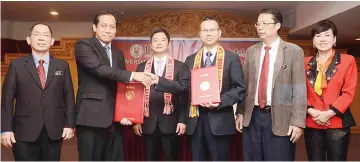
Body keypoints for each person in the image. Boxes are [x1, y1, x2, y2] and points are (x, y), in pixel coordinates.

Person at [146, 16, 245, 161]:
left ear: (219, 33)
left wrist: (220, 101)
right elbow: (183, 86)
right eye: (205, 30)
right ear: (200, 34)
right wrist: (159, 80)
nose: (208, 33)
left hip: (220, 122)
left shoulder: (231, 58)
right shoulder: (191, 60)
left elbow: (239, 88)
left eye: (212, 30)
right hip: (195, 122)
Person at [74, 10, 152, 161]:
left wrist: (126, 112)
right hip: (91, 117)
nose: (108, 30)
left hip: (115, 120)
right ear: (94, 27)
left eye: (112, 27)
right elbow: (99, 69)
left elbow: (121, 85)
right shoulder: (84, 45)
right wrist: (134, 75)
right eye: (104, 26)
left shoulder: (118, 53)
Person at [235, 8, 307, 161]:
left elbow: (299, 89)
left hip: (280, 118)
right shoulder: (251, 51)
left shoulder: (293, 51)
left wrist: (298, 122)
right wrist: (240, 112)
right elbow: (245, 85)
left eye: (265, 23)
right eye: (258, 24)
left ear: (277, 26)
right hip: (252, 117)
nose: (260, 27)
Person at [1, 23, 75, 160]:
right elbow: (7, 100)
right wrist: (5, 129)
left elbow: (69, 96)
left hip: (54, 130)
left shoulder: (62, 66)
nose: (41, 38)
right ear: (28, 40)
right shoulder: (16, 65)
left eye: (46, 35)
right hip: (23, 131)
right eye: (37, 34)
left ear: (52, 41)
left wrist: (69, 124)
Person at [304, 19, 357, 161]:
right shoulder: (304, 62)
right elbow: (297, 91)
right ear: (313, 41)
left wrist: (328, 114)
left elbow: (348, 93)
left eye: (327, 35)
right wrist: (311, 111)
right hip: (312, 120)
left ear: (334, 39)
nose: (322, 39)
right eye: (318, 35)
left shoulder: (347, 60)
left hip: (336, 121)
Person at [132, 28, 186, 161]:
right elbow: (137, 95)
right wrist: (136, 121)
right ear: (150, 44)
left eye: (163, 40)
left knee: (171, 158)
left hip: (171, 122)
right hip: (148, 122)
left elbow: (184, 94)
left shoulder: (180, 66)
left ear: (169, 43)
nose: (159, 43)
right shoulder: (141, 67)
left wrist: (182, 120)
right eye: (155, 40)